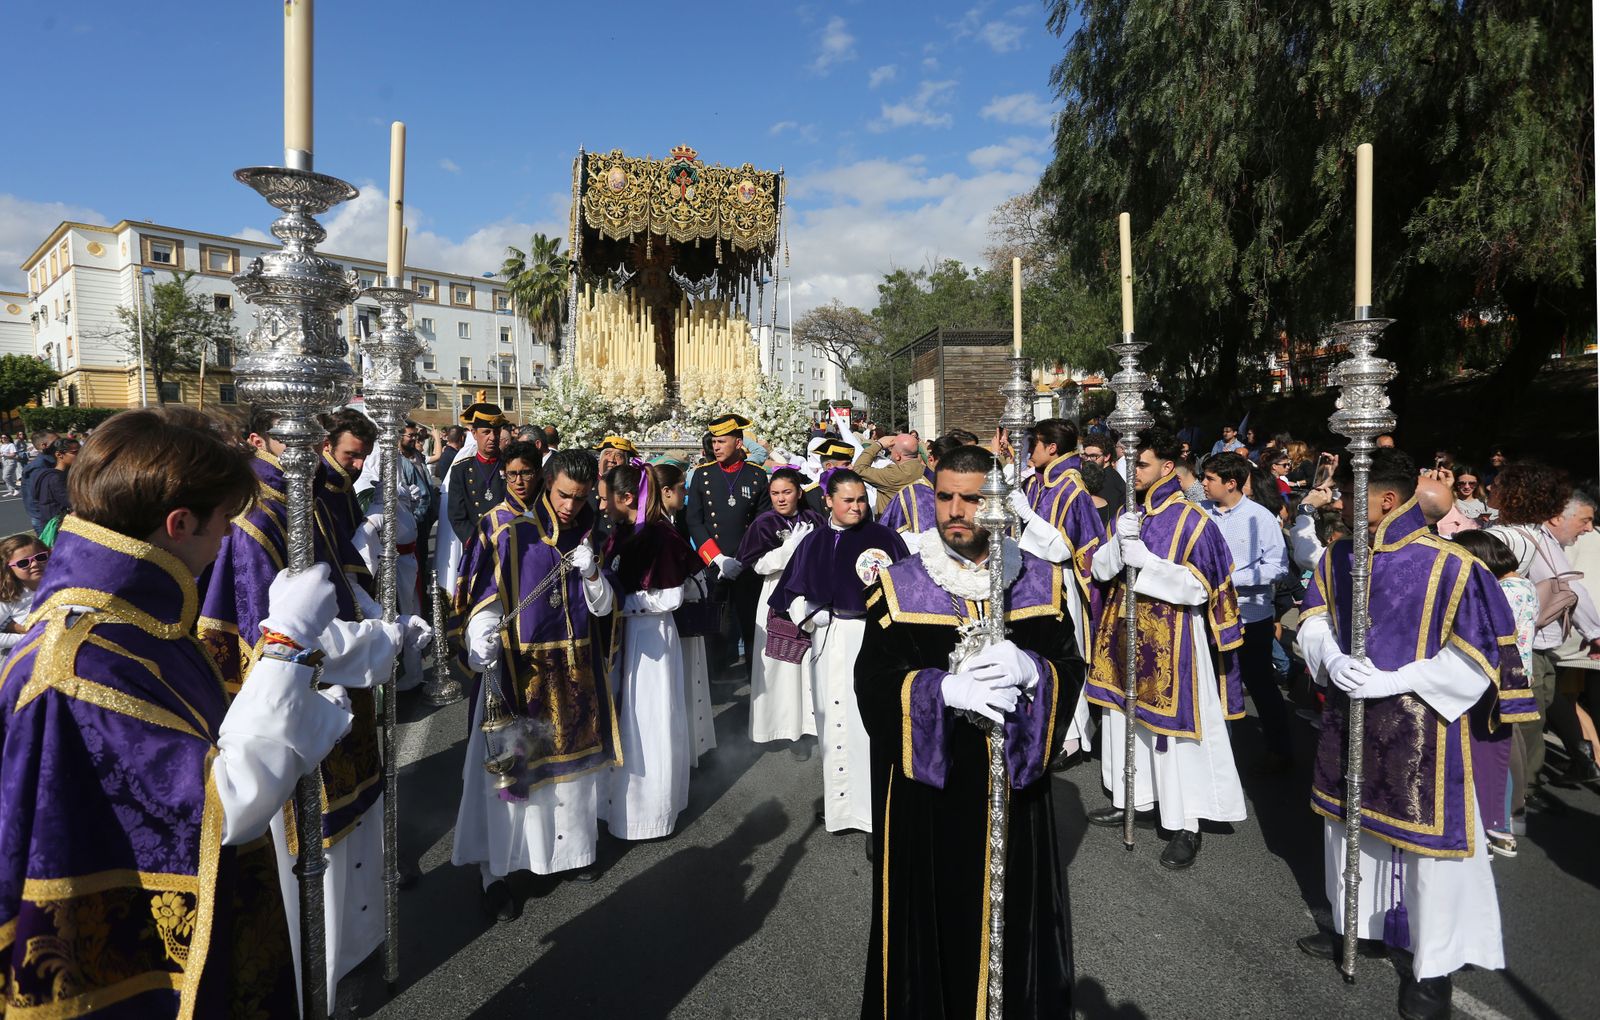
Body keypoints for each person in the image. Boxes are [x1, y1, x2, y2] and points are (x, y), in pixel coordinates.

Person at [0, 406, 352, 1017]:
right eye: (222, 523)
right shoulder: (83, 661)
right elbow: (225, 806)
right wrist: (287, 646)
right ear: (178, 522)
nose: (224, 541)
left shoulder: (132, 616)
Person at [1295, 448, 1536, 1020]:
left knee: (1430, 853)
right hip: (1351, 721)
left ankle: (1434, 965)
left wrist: (1393, 681)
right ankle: (1364, 924)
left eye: (1351, 496)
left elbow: (1477, 660)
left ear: (1383, 500)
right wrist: (1329, 657)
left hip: (1426, 730)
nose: (1340, 505)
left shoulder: (1455, 567)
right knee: (1352, 829)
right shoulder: (1339, 557)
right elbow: (1313, 618)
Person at [197, 408, 416, 1005]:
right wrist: (381, 642)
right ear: (259, 437)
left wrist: (380, 619)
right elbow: (277, 636)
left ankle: (346, 962)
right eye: (289, 433)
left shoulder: (305, 496)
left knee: (350, 842)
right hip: (293, 703)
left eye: (310, 434)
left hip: (343, 688)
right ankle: (310, 984)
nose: (307, 447)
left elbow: (343, 586)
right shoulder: (253, 515)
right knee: (306, 864)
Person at [856, 442, 1080, 1018]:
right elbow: (874, 684)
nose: (956, 511)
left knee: (1014, 930)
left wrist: (1034, 669)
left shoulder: (1037, 581)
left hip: (1014, 789)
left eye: (972, 500)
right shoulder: (901, 584)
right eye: (945, 497)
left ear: (997, 504)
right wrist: (941, 691)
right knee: (931, 930)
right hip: (930, 795)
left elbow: (1070, 666)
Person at [453, 448, 616, 916]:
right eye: (564, 494)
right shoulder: (505, 528)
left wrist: (592, 573)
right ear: (548, 483)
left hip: (575, 668)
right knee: (514, 775)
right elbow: (476, 591)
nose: (569, 506)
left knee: (569, 769)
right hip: (518, 670)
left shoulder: (589, 530)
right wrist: (480, 632)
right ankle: (496, 873)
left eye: (581, 498)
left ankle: (568, 853)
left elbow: (604, 608)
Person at [1084, 429, 1247, 869]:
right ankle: (1132, 798)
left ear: (1167, 468)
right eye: (1129, 463)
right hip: (1123, 631)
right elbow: (1099, 569)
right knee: (1122, 718)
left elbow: (1201, 589)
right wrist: (1120, 544)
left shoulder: (1194, 520)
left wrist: (1147, 563)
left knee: (1173, 734)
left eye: (1141, 464)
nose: (1130, 471)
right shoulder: (1126, 512)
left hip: (1174, 638)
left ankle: (1184, 822)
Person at [771, 468, 908, 837]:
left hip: (872, 638)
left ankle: (875, 817)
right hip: (827, 640)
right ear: (829, 501)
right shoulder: (814, 541)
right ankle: (841, 808)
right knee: (832, 722)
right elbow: (791, 595)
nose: (857, 507)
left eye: (862, 499)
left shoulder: (885, 538)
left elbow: (907, 592)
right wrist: (809, 615)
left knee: (868, 725)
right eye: (848, 500)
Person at [597, 461, 702, 840]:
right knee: (623, 718)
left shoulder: (659, 535)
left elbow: (673, 595)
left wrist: (620, 605)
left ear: (626, 497)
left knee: (648, 720)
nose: (601, 503)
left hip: (649, 638)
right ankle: (616, 802)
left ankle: (648, 811)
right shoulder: (621, 532)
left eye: (606, 496)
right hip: (623, 637)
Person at [1486, 467, 1600, 797]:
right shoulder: (1532, 535)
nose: (1489, 488)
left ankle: (1511, 808)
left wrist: (1594, 633)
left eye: (1497, 485)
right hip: (1532, 651)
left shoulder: (1516, 536)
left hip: (1525, 651)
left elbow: (1571, 590)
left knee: (1522, 733)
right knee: (1525, 732)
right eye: (1584, 521)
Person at [1014, 417, 1108, 760]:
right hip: (1037, 578)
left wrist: (1027, 515)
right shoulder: (1042, 482)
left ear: (1051, 448)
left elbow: (1062, 547)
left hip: (1064, 580)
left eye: (1033, 445)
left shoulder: (1071, 488)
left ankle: (1073, 737)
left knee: (1065, 657)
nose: (1028, 452)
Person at [1201, 452, 1293, 771]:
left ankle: (1279, 751)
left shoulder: (1260, 518)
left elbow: (1278, 567)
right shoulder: (1201, 513)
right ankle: (1214, 755)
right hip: (1207, 616)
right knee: (1209, 683)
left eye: (1210, 478)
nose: (1203, 483)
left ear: (1231, 484)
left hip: (1250, 617)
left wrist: (1228, 581)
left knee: (1259, 683)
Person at [1450, 528, 1536, 857]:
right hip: (1513, 677)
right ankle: (1505, 821)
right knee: (1503, 751)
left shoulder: (1503, 591)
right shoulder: (1523, 585)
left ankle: (1497, 825)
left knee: (1493, 753)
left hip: (1496, 679)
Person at [737, 467, 827, 756]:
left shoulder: (814, 518)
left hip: (809, 593)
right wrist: (789, 549)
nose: (780, 498)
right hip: (776, 593)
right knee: (780, 663)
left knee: (807, 660)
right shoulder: (764, 523)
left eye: (786, 492)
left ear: (799, 493)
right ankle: (781, 726)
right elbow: (759, 565)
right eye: (775, 493)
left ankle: (809, 726)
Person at [684, 413, 772, 684]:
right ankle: (712, 683)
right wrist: (719, 559)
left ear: (738, 441)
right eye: (713, 442)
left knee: (751, 625)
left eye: (722, 441)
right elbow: (694, 522)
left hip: (747, 567)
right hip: (715, 566)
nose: (716, 447)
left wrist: (744, 560)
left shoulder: (756, 476)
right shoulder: (703, 475)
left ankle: (754, 679)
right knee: (715, 626)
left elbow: (762, 524)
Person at [655, 459, 717, 764]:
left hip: (687, 612)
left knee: (692, 679)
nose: (685, 495)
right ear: (666, 492)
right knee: (683, 684)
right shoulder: (659, 527)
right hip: (675, 614)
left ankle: (695, 748)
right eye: (681, 489)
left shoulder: (670, 521)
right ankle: (686, 753)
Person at [879, 433, 975, 548]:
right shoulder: (910, 494)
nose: (952, 469)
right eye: (946, 463)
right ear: (931, 460)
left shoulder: (971, 494)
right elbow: (889, 539)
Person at [447, 402, 510, 549]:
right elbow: (457, 515)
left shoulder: (510, 464)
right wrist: (475, 540)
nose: (493, 438)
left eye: (496, 432)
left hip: (509, 541)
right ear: (474, 434)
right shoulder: (461, 470)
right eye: (486, 432)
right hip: (477, 544)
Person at [851, 432, 925, 516]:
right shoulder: (925, 470)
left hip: (891, 524)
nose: (890, 450)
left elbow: (859, 469)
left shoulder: (894, 473)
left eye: (892, 448)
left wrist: (878, 444)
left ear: (898, 456)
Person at [0, 534, 46, 663]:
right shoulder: (9, 596)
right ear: (8, 568)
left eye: (41, 557)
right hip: (30, 657)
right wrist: (29, 638)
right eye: (23, 563)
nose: (35, 564)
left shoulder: (62, 580)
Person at [28, 437, 78, 540]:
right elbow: (73, 502)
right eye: (75, 452)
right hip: (59, 529)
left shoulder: (53, 475)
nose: (80, 455)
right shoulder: (56, 478)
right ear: (59, 455)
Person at [19, 430, 57, 532]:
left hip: (51, 514)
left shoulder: (52, 462)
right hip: (44, 517)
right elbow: (39, 495)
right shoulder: (39, 467)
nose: (60, 444)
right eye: (56, 441)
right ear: (43, 445)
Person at [1081, 434, 1126, 509]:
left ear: (1106, 457)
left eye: (1093, 456)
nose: (1088, 460)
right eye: (1085, 456)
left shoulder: (1109, 482)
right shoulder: (1096, 476)